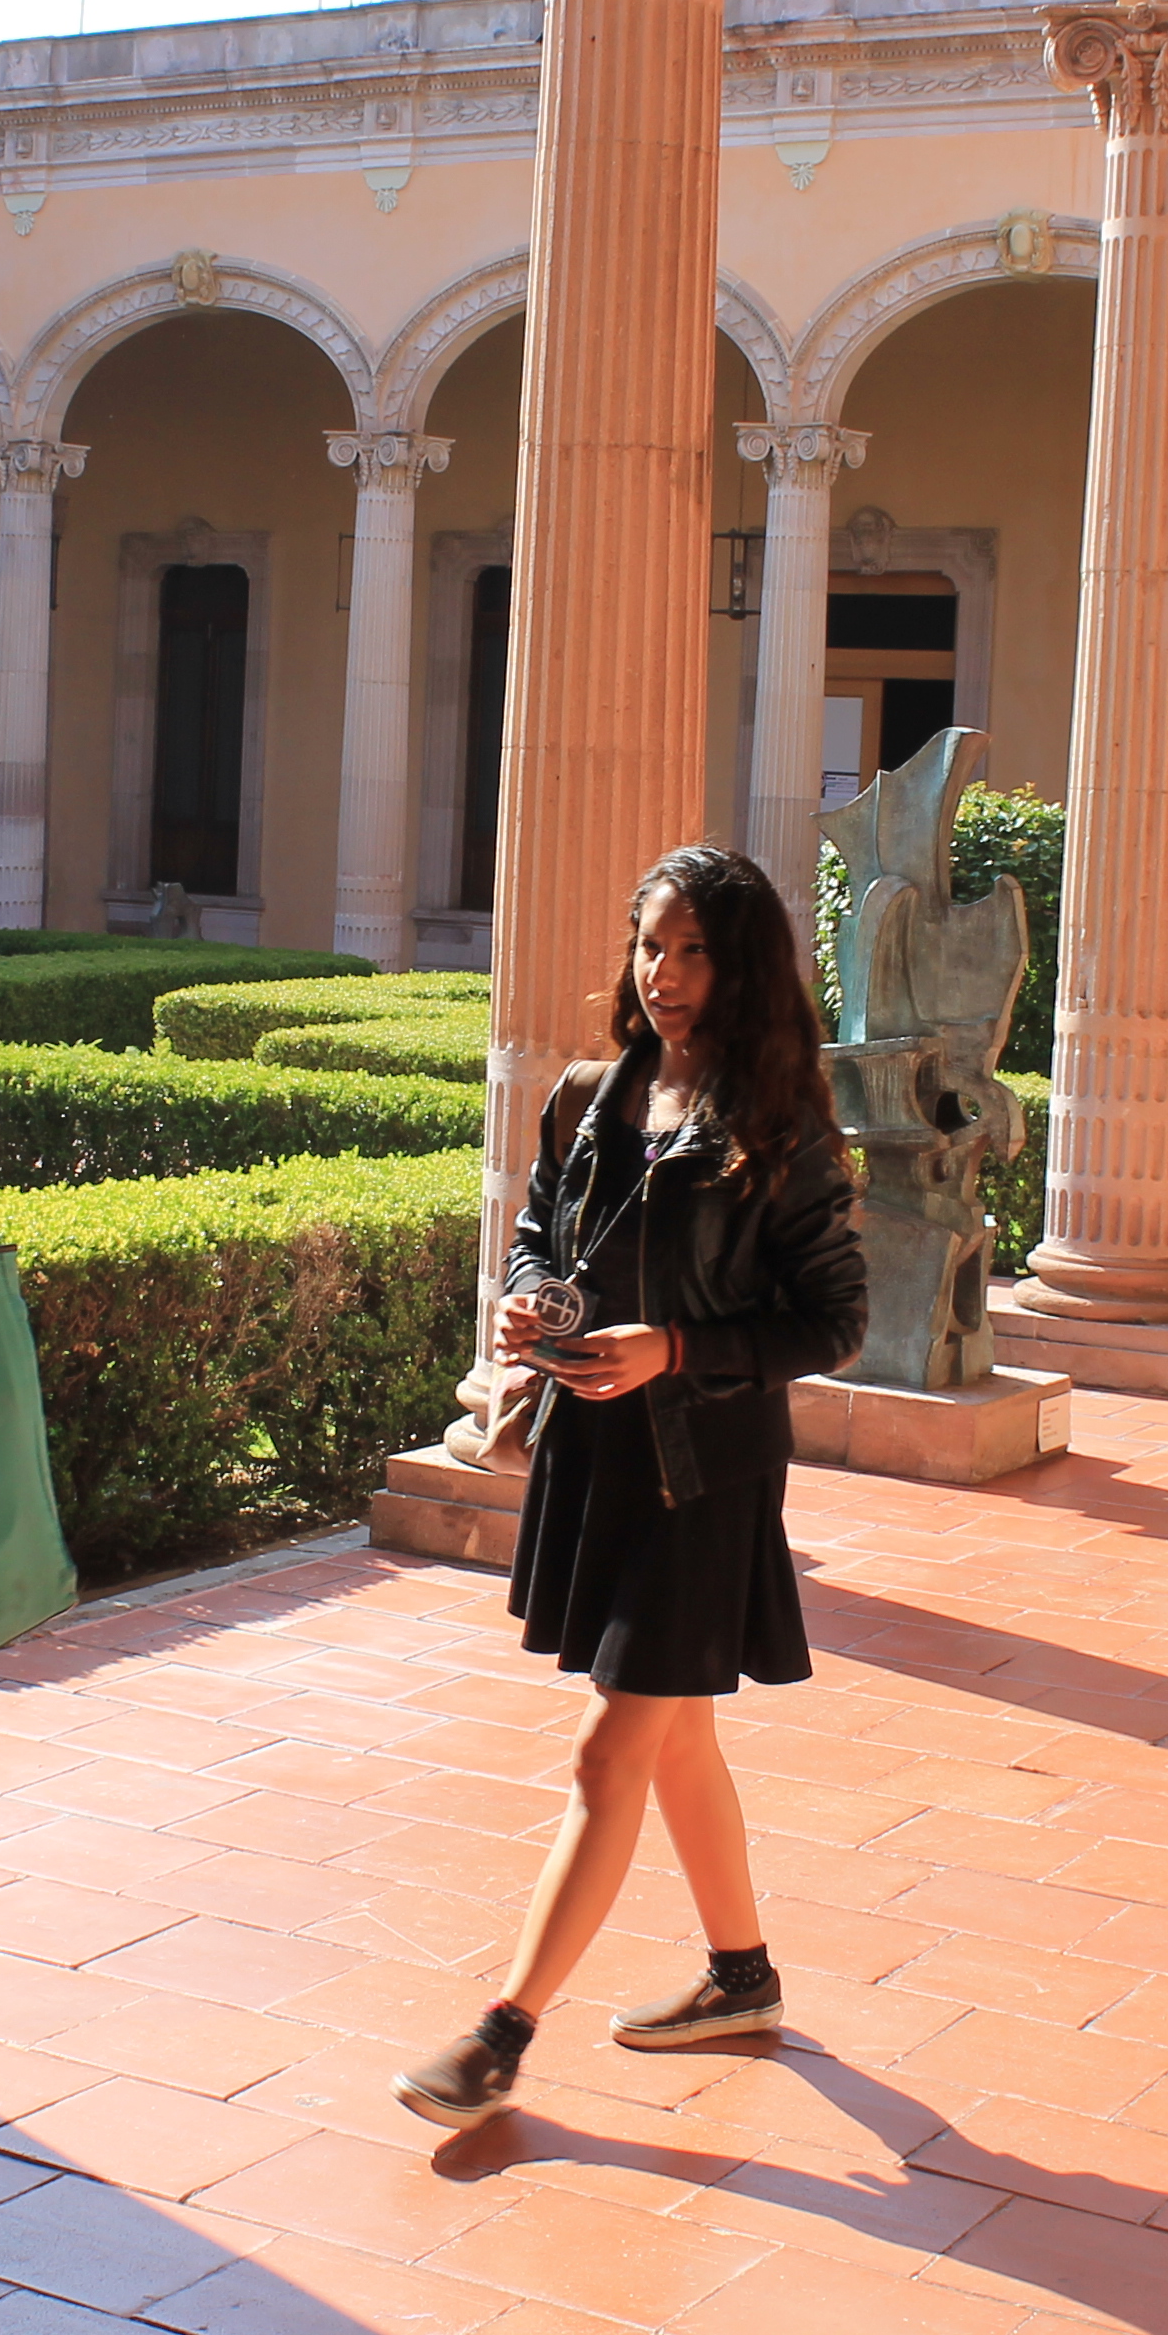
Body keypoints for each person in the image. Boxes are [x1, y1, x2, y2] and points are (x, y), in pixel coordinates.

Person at [395, 846, 864, 2129]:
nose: (664, 973)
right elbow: (549, 1227)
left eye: (695, 949)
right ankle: (742, 1975)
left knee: (616, 1744)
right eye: (651, 945)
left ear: (744, 963)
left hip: (703, 1471)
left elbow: (832, 1323)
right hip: (600, 1453)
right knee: (677, 1734)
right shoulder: (599, 1094)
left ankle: (502, 2032)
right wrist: (530, 1294)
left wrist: (677, 1349)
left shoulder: (782, 1124)